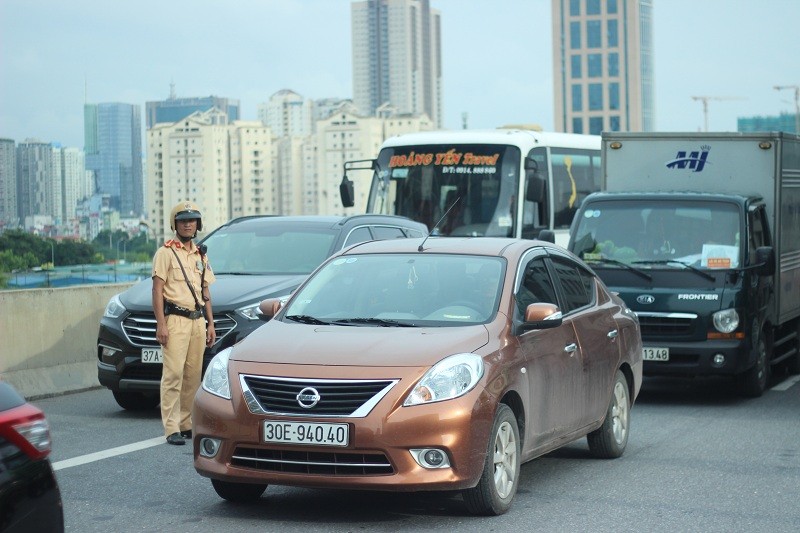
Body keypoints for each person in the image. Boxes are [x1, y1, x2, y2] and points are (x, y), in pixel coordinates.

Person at [152, 201, 216, 445]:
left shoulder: (200, 254)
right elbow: (157, 290)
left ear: (198, 224)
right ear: (174, 224)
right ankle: (171, 428)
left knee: (192, 375)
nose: (188, 224)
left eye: (192, 220)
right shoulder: (165, 253)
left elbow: (205, 290)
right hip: (176, 320)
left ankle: (187, 423)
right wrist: (161, 324)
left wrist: (210, 323)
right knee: (173, 374)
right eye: (183, 220)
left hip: (198, 320)